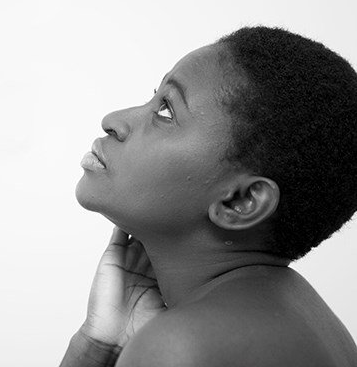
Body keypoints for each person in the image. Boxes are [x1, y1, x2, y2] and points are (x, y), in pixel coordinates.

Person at [60, 26, 357, 367]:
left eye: (166, 111)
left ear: (240, 201)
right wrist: (99, 344)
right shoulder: (310, 319)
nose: (112, 120)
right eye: (153, 97)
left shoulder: (181, 347)